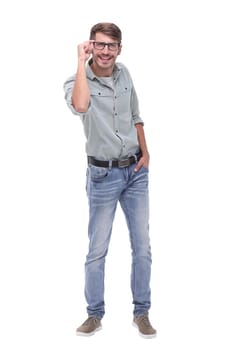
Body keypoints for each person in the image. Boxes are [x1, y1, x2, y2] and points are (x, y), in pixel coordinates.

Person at [63, 22, 156, 338]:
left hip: (135, 173)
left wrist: (146, 154)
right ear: (91, 45)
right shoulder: (77, 81)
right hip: (102, 175)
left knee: (142, 247)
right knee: (97, 250)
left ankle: (141, 312)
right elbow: (80, 105)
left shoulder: (125, 73)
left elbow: (136, 115)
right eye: (99, 44)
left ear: (119, 48)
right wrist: (79, 62)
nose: (105, 51)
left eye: (111, 45)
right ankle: (94, 314)